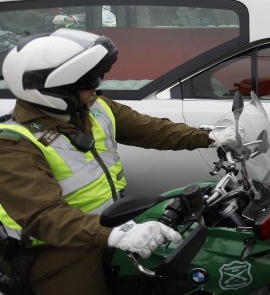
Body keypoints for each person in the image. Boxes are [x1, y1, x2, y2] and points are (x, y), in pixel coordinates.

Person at [0, 29, 237, 294]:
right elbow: (45, 217)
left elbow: (150, 129)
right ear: (56, 91)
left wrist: (210, 137)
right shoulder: (13, 144)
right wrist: (116, 234)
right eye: (88, 83)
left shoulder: (94, 108)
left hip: (111, 223)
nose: (96, 87)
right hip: (59, 247)